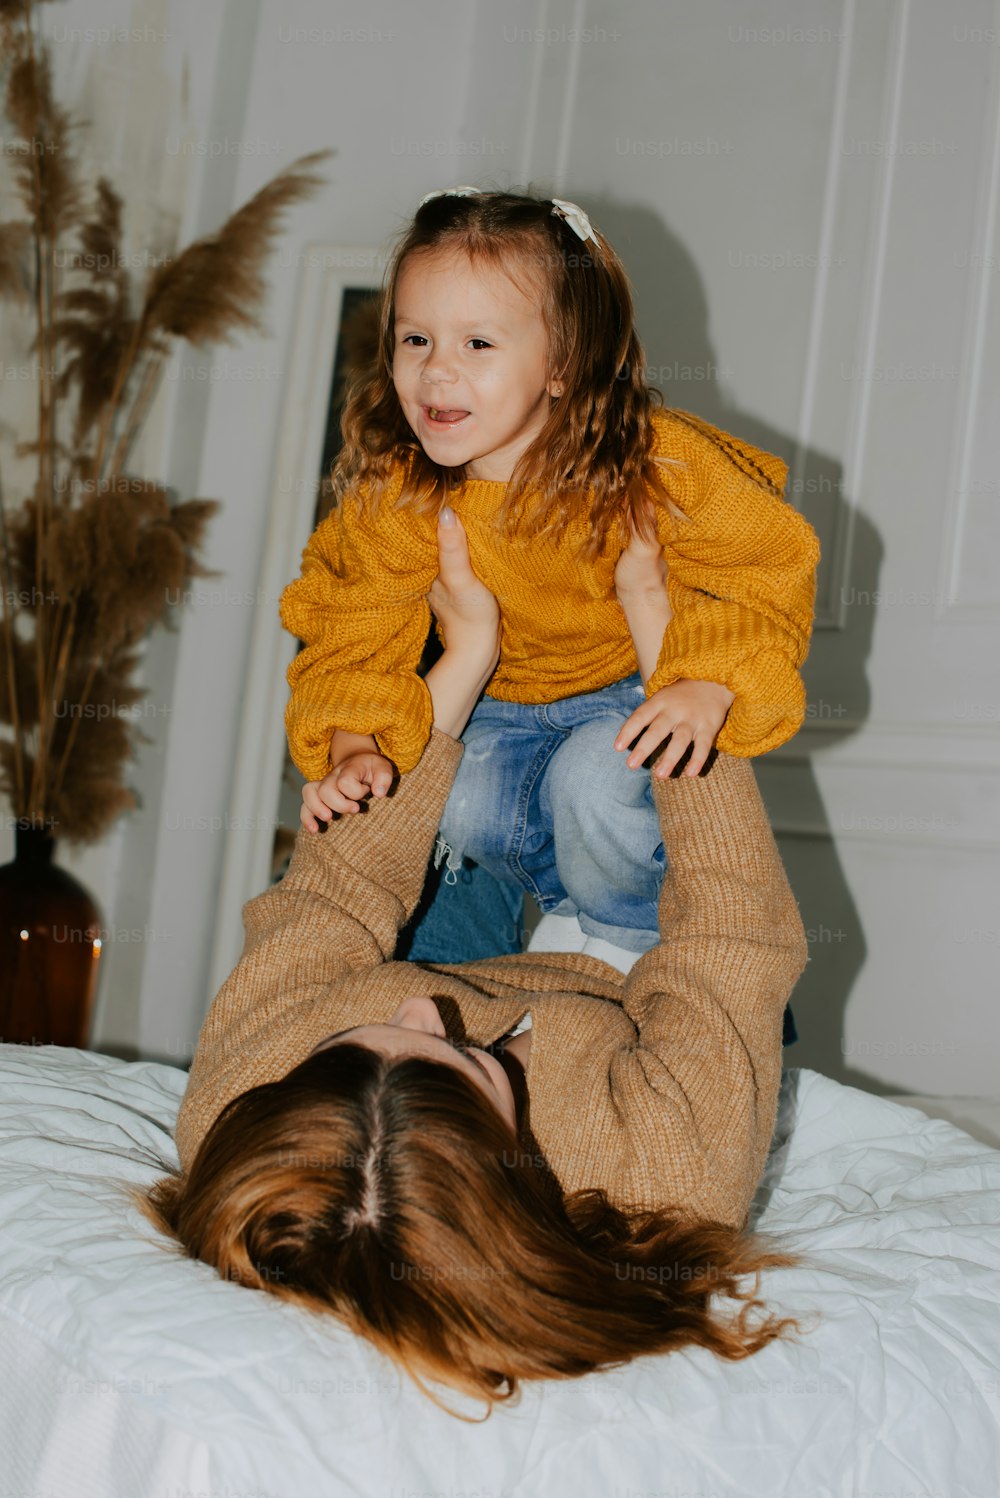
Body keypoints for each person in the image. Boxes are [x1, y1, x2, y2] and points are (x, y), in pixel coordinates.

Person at [145, 512, 809, 1410]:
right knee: (597, 783)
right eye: (460, 1058)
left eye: (366, 1039)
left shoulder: (252, 1101)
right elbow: (733, 937)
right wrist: (660, 627)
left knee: (440, 790)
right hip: (634, 994)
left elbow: (328, 905)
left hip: (470, 959)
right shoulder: (661, 1174)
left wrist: (464, 654)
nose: (428, 1010)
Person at [280, 187, 819, 969]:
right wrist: (357, 745)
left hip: (622, 694)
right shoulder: (398, 494)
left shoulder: (654, 461)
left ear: (563, 363)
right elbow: (350, 626)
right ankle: (565, 907)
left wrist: (708, 682)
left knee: (594, 787)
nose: (436, 373)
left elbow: (765, 561)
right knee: (452, 804)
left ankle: (626, 933)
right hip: (501, 706)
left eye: (478, 345)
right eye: (416, 339)